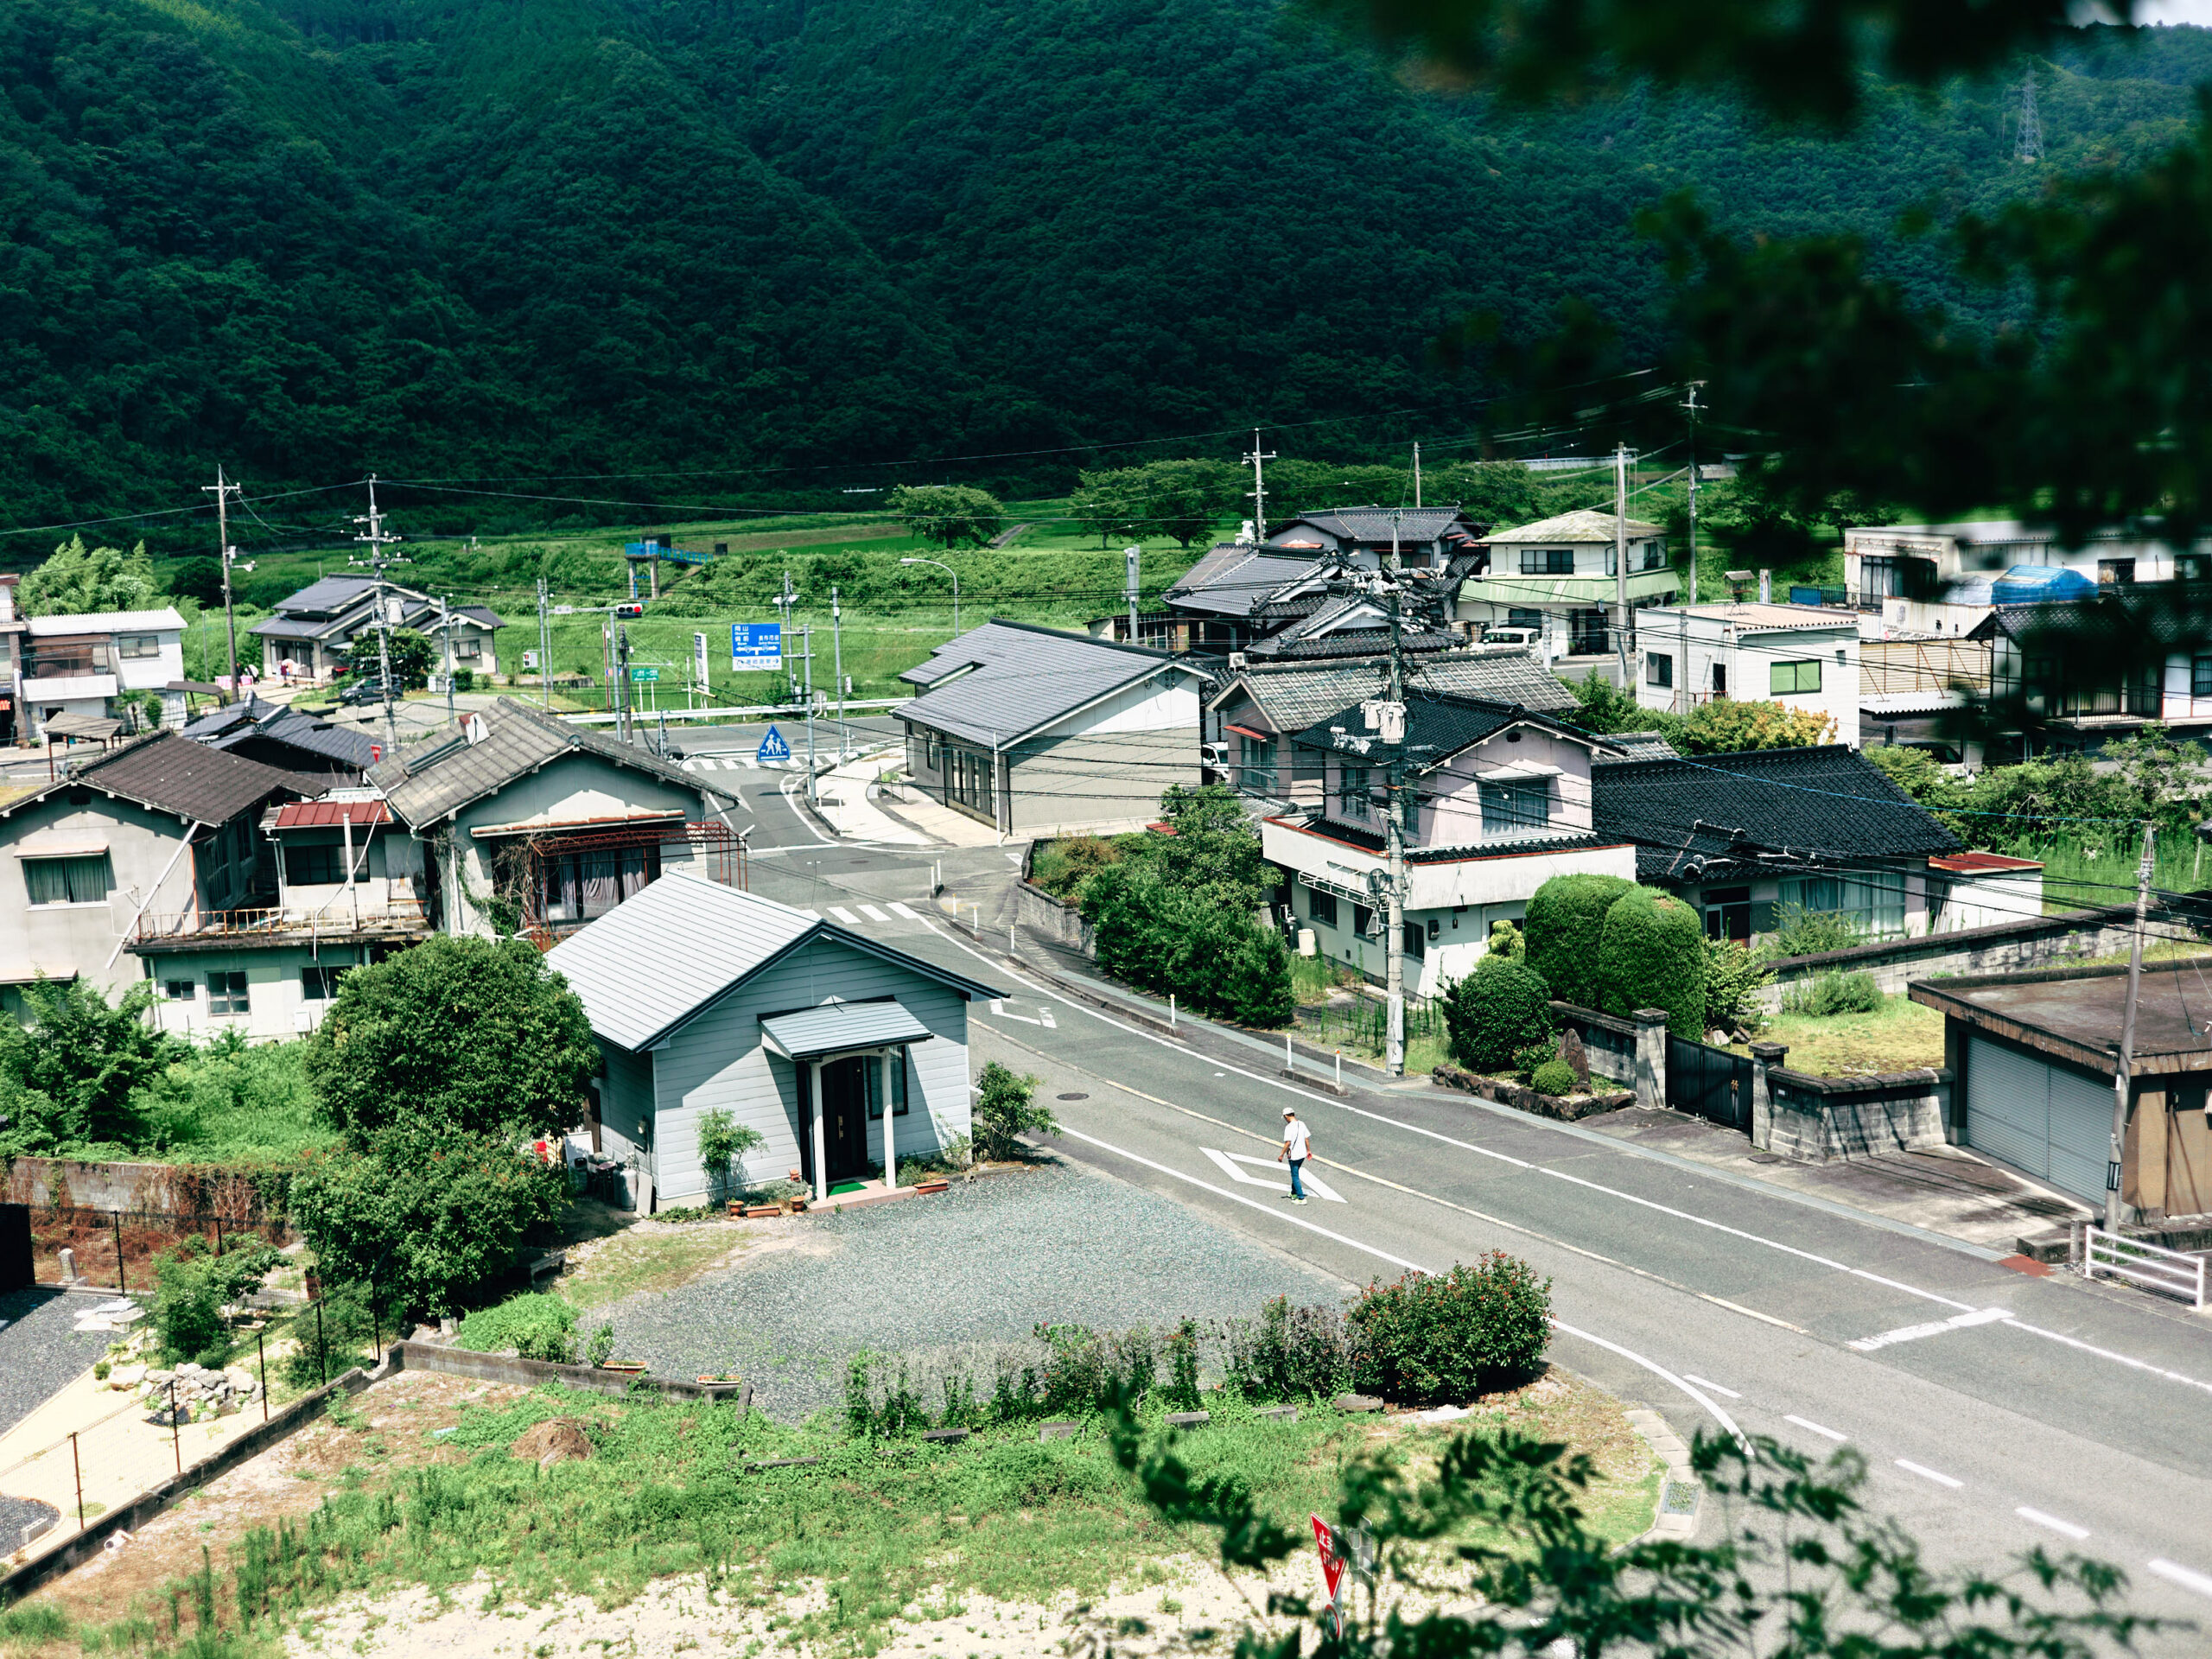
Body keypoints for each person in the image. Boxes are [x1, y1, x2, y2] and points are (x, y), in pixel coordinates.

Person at [1277, 1108, 1312, 1203]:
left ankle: (1301, 1198)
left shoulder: (1289, 1127)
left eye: (1284, 1117)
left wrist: (1281, 1154)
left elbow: (1288, 1143)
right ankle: (1293, 1193)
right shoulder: (1302, 1124)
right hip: (1302, 1154)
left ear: (1286, 1116)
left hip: (1294, 1155)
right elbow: (1306, 1138)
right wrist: (1308, 1150)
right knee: (1295, 1173)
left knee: (1295, 1176)